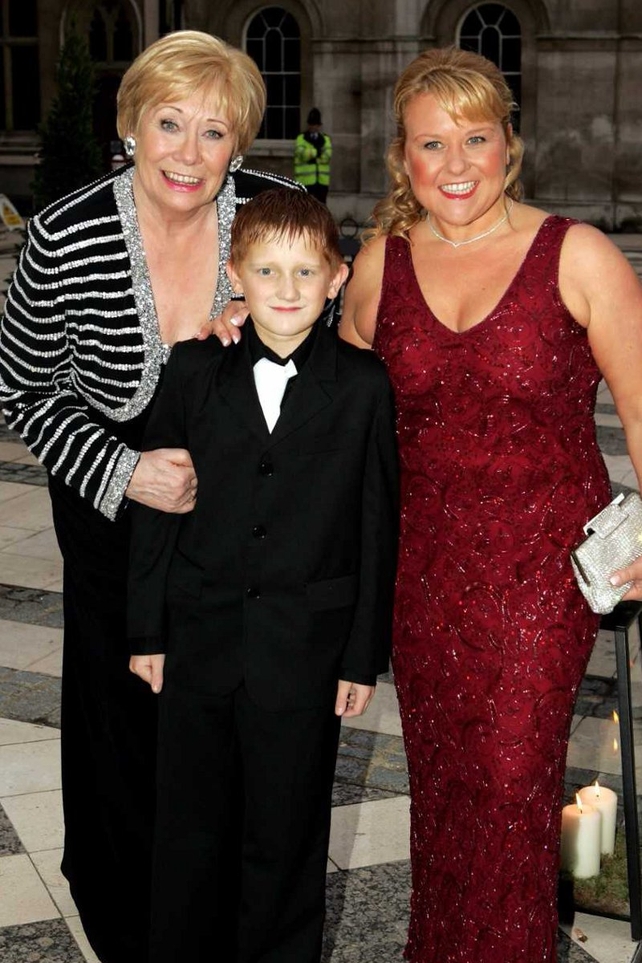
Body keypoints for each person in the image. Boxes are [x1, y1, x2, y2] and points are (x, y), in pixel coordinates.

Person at [0, 31, 301, 963]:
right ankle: (132, 930)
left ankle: (223, 924)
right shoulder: (67, 232)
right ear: (130, 126)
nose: (188, 151)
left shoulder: (272, 220)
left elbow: (325, 338)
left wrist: (271, 338)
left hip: (239, 520)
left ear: (240, 146)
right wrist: (126, 472)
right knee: (126, 730)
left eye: (215, 132)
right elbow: (20, 388)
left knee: (234, 725)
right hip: (110, 517)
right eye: (168, 123)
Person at [339, 46, 642, 963]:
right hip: (425, 577)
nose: (458, 162)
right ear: (404, 159)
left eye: (477, 136)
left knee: (513, 780)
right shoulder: (378, 264)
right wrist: (248, 317)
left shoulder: (576, 253)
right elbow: (324, 391)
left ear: (511, 144)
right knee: (444, 790)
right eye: (434, 143)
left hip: (544, 577)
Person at [127, 187, 399, 963]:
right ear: (234, 273)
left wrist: (359, 656)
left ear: (338, 278)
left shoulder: (363, 387)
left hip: (303, 652)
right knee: (190, 832)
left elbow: (376, 526)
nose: (286, 290)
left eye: (305, 272)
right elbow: (158, 504)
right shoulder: (192, 369)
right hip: (199, 639)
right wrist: (147, 628)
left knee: (286, 835)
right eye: (268, 270)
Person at [294, 107, 332, 203]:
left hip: (322, 181)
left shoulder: (325, 139)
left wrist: (311, 155)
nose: (313, 127)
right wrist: (317, 152)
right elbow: (302, 154)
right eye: (311, 124)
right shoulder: (301, 138)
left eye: (315, 124)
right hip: (305, 181)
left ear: (319, 126)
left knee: (321, 208)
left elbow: (327, 155)